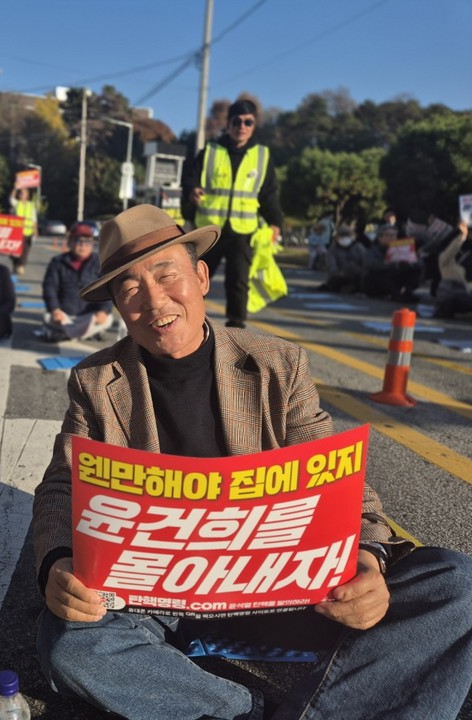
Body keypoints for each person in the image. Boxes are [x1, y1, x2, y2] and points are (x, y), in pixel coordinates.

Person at [33, 203, 472, 720]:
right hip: (159, 598)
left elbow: (339, 481)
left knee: (454, 583)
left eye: (165, 274)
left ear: (199, 277)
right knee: (67, 640)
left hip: (282, 587)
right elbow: (62, 487)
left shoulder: (278, 364)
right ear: (117, 306)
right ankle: (253, 711)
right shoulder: (94, 381)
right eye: (128, 288)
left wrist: (369, 559)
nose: (153, 300)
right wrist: (56, 562)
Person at [182, 99, 284, 328]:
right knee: (198, 278)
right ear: (228, 124)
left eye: (248, 122)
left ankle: (236, 329)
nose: (242, 126)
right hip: (211, 230)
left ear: (254, 125)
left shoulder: (261, 156)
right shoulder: (210, 150)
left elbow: (268, 194)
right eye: (237, 121)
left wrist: (276, 222)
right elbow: (189, 179)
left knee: (238, 282)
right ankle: (191, 324)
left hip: (243, 231)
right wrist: (192, 191)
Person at [39, 223, 114, 343]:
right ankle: (83, 334)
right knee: (47, 317)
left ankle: (65, 334)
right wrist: (55, 309)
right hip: (65, 316)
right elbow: (49, 288)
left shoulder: (100, 263)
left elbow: (108, 290)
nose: (83, 245)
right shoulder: (57, 262)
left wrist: (103, 311)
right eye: (79, 241)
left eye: (88, 242)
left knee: (108, 319)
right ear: (70, 242)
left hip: (90, 316)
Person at [361, 224, 423, 302]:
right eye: (388, 235)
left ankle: (408, 292)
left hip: (394, 279)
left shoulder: (402, 248)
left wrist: (408, 264)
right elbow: (370, 264)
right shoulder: (373, 250)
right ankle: (396, 294)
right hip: (375, 284)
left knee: (415, 269)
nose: (391, 238)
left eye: (394, 235)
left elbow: (419, 263)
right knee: (381, 272)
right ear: (380, 238)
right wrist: (393, 265)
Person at [433, 221, 472, 319]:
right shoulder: (446, 260)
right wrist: (462, 236)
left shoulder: (468, 260)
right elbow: (452, 250)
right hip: (451, 296)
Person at [319, 225, 369, 294]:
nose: (345, 238)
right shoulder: (332, 250)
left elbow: (366, 262)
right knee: (335, 281)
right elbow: (331, 267)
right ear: (337, 237)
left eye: (347, 235)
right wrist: (342, 274)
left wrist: (360, 272)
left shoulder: (359, 247)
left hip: (357, 275)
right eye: (342, 236)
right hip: (340, 276)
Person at [9, 185, 37, 275]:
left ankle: (21, 266)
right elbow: (11, 198)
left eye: (23, 193)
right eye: (20, 193)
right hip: (17, 231)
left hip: (28, 232)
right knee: (15, 250)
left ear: (27, 195)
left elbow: (34, 219)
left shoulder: (31, 205)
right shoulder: (17, 203)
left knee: (25, 250)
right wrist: (15, 188)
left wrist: (35, 230)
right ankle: (15, 264)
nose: (21, 195)